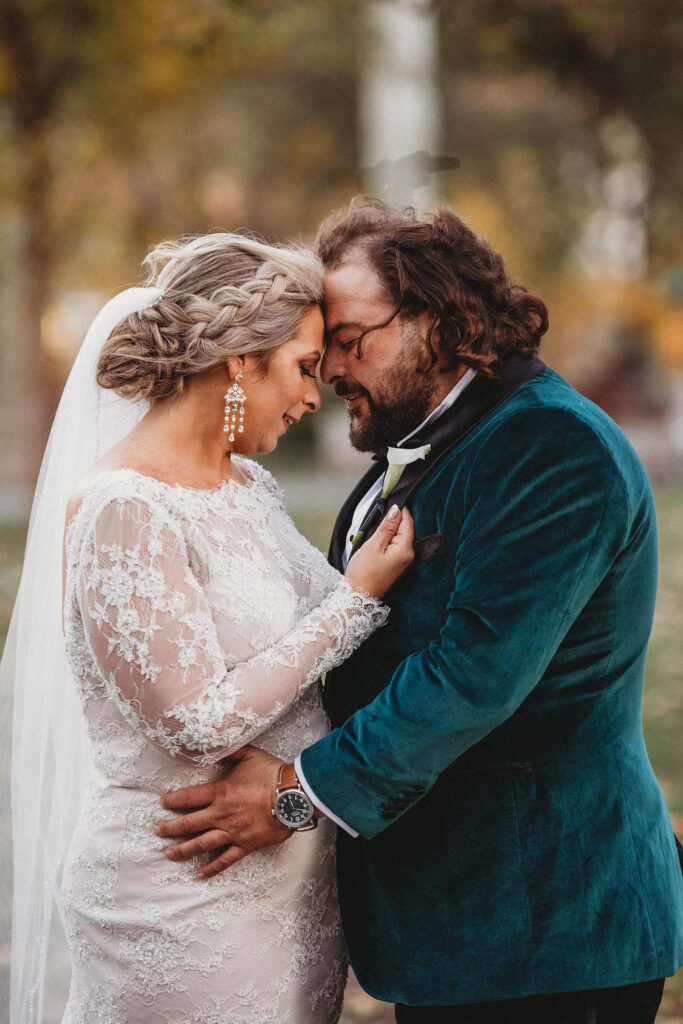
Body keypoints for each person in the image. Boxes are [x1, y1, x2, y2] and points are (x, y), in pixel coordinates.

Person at [156, 203, 683, 1024]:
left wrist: (293, 797)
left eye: (349, 339)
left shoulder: (550, 446)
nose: (328, 367)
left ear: (440, 320)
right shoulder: (432, 444)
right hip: (464, 929)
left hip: (547, 928)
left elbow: (472, 674)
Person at [3, 232, 415, 1024]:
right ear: (237, 359)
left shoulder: (250, 485)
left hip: (290, 885)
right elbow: (194, 723)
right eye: (301, 366)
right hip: (179, 895)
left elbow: (326, 650)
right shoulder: (125, 507)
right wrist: (355, 599)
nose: (311, 395)